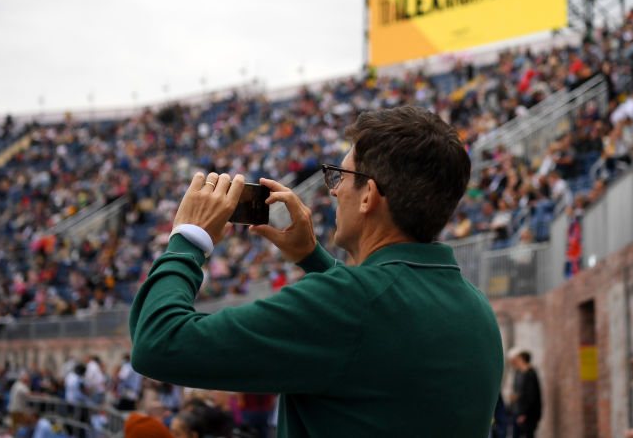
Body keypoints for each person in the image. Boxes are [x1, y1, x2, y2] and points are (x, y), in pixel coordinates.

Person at [130, 106, 504, 437]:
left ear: (369, 196)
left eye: (340, 176)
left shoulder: (347, 304)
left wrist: (190, 238)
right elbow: (382, 321)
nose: (334, 191)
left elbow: (158, 344)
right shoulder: (476, 308)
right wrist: (312, 258)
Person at [507, 349, 542, 438]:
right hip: (517, 411)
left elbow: (531, 396)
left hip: (527, 414)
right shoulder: (518, 373)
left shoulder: (530, 373)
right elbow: (517, 392)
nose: (514, 362)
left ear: (522, 359)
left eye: (517, 359)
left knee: (528, 434)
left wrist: (524, 414)